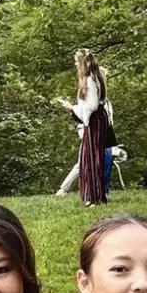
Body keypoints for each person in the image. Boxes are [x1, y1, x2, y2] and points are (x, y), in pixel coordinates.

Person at [57, 50, 116, 205]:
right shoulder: (95, 78)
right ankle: (93, 196)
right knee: (90, 158)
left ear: (83, 62)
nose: (76, 65)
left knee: (90, 159)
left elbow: (92, 105)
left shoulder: (90, 80)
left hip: (94, 120)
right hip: (97, 119)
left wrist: (73, 109)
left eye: (77, 62)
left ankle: (93, 197)